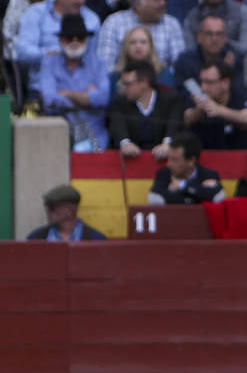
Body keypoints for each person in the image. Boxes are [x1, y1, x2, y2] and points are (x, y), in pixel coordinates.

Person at [38, 14, 110, 151]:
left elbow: (102, 98)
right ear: (61, 39)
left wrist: (67, 94)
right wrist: (86, 98)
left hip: (95, 137)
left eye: (80, 37)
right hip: (59, 136)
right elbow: (49, 101)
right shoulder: (49, 62)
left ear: (87, 40)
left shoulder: (99, 63)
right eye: (70, 37)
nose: (75, 41)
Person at [109, 60, 182, 157]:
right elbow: (118, 127)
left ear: (144, 82)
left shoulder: (170, 100)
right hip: (133, 161)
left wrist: (167, 144)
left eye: (127, 84)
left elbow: (174, 125)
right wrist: (125, 144)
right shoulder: (120, 102)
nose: (123, 88)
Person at [147, 131, 226, 204]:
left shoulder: (209, 175)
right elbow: (155, 198)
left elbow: (218, 196)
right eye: (169, 159)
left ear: (191, 160)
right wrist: (199, 192)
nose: (169, 164)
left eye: (174, 160)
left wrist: (183, 185)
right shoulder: (164, 174)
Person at [27, 183, 106, 241]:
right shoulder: (35, 237)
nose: (47, 210)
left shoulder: (97, 239)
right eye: (46, 206)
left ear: (69, 210)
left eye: (52, 207)